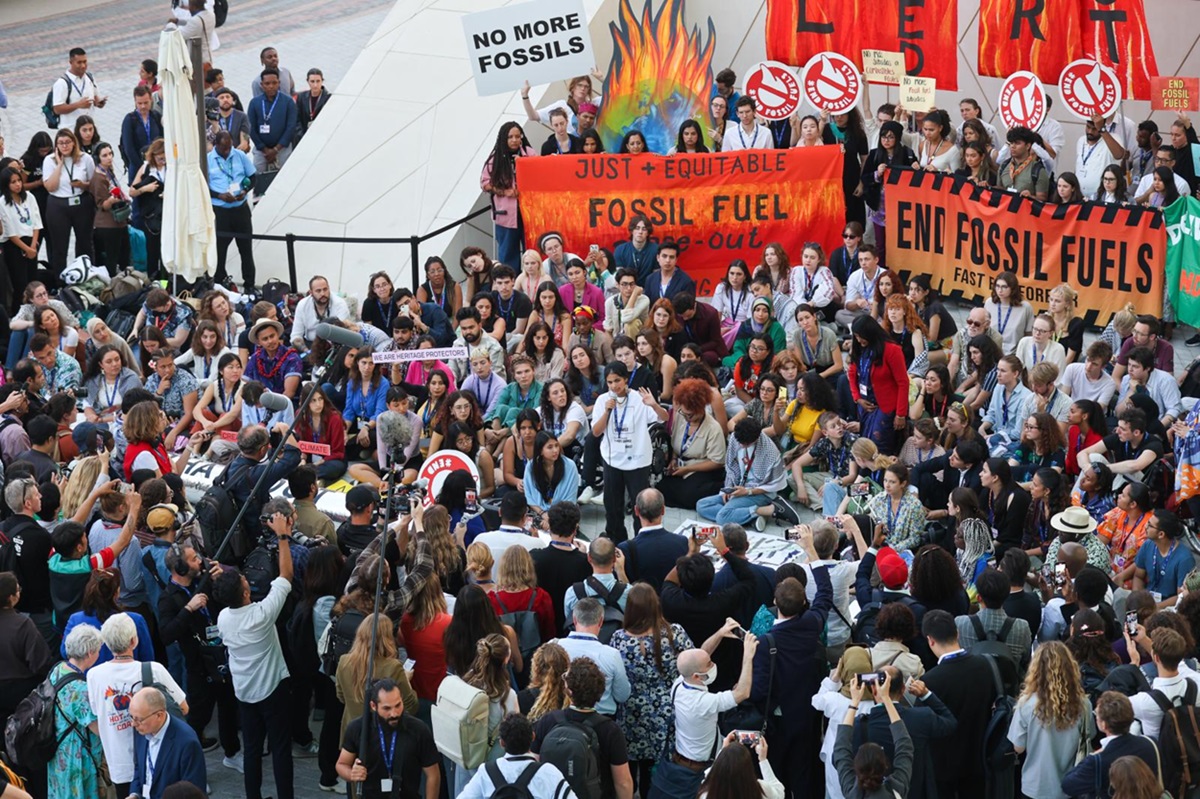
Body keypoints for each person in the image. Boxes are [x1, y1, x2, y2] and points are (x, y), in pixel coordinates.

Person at [213, 503, 296, 799]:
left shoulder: (224, 619)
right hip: (273, 690)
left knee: (251, 750)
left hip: (244, 692)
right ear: (246, 593)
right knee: (280, 749)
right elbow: (285, 575)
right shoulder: (262, 615)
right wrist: (283, 536)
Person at [157, 540, 240, 769]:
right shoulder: (168, 597)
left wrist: (220, 581)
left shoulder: (203, 581)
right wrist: (187, 610)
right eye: (193, 559)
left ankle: (232, 753)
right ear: (181, 569)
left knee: (228, 707)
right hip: (198, 666)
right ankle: (191, 766)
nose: (199, 561)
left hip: (221, 655)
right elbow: (166, 634)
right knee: (197, 718)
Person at [87, 613, 189, 798]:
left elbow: (97, 713)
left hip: (119, 765)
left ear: (107, 644)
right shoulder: (154, 670)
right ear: (134, 641)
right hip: (159, 759)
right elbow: (183, 707)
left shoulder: (94, 675)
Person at [651, 632, 759, 799]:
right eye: (709, 664)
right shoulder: (704, 702)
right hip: (698, 771)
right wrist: (748, 655)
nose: (713, 664)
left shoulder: (679, 684)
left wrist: (721, 633)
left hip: (681, 759)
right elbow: (742, 693)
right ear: (696, 676)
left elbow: (700, 653)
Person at [920, 610, 999, 799]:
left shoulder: (929, 681)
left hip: (943, 765)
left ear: (930, 640)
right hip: (979, 757)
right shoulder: (986, 666)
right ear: (957, 633)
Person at [590, 361, 667, 542]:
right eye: (609, 382)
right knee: (612, 507)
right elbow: (595, 432)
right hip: (612, 460)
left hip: (638, 460)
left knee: (640, 507)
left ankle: (641, 541)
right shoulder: (603, 401)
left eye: (617, 380)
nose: (614, 386)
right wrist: (607, 412)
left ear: (625, 380)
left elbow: (663, 418)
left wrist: (653, 404)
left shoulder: (640, 398)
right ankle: (617, 542)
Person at [1008, 642, 1094, 799]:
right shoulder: (1084, 704)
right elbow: (1089, 736)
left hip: (1035, 786)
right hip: (1070, 786)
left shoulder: (1027, 704)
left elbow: (1018, 747)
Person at [336, 677, 440, 799]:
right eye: (387, 708)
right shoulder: (358, 728)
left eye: (398, 705)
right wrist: (351, 774)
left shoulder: (418, 729)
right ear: (373, 706)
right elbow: (341, 764)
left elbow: (433, 774)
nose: (394, 713)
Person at [833, 671, 914, 799]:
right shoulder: (895, 789)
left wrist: (854, 702)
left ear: (856, 766)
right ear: (886, 766)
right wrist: (886, 698)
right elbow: (904, 745)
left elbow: (840, 750)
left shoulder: (851, 791)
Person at [696, 417, 785, 531]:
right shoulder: (735, 437)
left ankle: (765, 510)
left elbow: (773, 486)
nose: (741, 446)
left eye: (746, 444)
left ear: (756, 438)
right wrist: (728, 489)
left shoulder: (771, 452)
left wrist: (747, 491)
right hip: (738, 488)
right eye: (740, 443)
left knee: (722, 518)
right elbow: (731, 466)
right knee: (701, 505)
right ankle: (751, 517)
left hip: (758, 493)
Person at [47, 625, 104, 799]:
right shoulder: (80, 689)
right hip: (75, 756)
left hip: (57, 749)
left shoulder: (58, 669)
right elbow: (98, 729)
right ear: (89, 653)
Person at [127, 686, 207, 799]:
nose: (133, 724)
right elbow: (139, 767)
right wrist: (134, 794)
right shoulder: (141, 729)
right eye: (131, 717)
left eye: (138, 719)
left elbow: (193, 791)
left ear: (159, 715)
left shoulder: (187, 742)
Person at [207, 131, 257, 290]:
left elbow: (253, 177)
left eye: (229, 147)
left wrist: (245, 190)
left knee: (246, 250)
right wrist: (219, 195)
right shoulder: (208, 160)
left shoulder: (239, 155)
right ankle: (220, 281)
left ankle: (249, 284)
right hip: (221, 211)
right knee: (220, 251)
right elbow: (202, 188)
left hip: (240, 209)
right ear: (216, 145)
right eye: (224, 148)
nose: (227, 151)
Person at [481, 123, 536, 268]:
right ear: (503, 138)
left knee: (531, 254)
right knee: (507, 256)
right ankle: (510, 287)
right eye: (510, 137)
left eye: (518, 136)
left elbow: (541, 176)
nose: (514, 140)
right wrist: (505, 192)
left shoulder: (529, 153)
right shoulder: (495, 158)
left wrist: (524, 164)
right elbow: (485, 183)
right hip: (505, 216)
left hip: (528, 214)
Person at [247, 68, 297, 175]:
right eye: (267, 83)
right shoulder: (255, 103)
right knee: (257, 177)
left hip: (283, 148)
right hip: (261, 151)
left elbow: (291, 127)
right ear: (262, 85)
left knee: (286, 175)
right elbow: (251, 128)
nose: (271, 86)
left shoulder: (288, 102)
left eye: (274, 83)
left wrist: (275, 149)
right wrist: (264, 149)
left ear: (279, 83)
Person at [294, 68, 331, 144]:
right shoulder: (301, 97)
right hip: (303, 136)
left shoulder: (328, 98)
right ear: (308, 81)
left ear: (322, 81)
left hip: (321, 137)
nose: (315, 85)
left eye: (318, 81)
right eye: (312, 81)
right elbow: (297, 118)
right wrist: (301, 135)